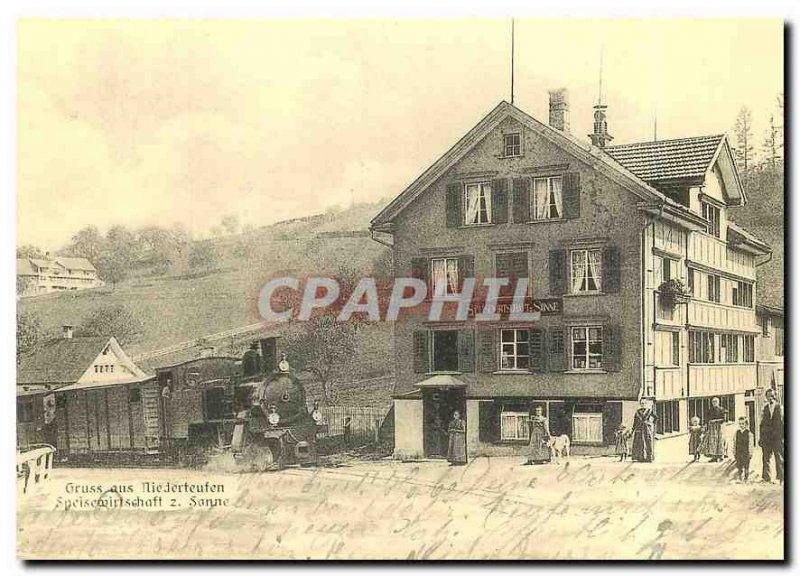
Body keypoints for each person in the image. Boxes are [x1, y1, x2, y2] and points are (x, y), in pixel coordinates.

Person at [759, 388, 784, 484]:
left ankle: (781, 478)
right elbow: (762, 424)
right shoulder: (764, 408)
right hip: (767, 438)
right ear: (766, 397)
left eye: (773, 396)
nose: (771, 398)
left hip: (777, 438)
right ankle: (766, 478)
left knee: (779, 458)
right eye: (769, 396)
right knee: (765, 458)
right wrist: (761, 438)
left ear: (775, 396)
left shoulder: (780, 408)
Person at [631, 398, 656, 462]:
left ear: (646, 404)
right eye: (641, 403)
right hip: (639, 429)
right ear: (640, 404)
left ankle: (649, 458)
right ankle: (640, 458)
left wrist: (651, 423)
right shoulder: (637, 412)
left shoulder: (649, 411)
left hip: (647, 429)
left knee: (648, 442)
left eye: (644, 403)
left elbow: (655, 418)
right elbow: (635, 422)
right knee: (639, 443)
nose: (643, 405)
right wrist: (632, 431)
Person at [703, 397, 728, 463]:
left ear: (718, 402)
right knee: (713, 442)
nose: (714, 403)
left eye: (715, 402)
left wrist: (715, 421)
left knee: (720, 441)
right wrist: (706, 425)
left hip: (720, 427)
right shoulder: (710, 410)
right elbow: (707, 419)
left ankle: (721, 456)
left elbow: (724, 419)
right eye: (713, 402)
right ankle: (713, 457)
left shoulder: (722, 409)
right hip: (712, 428)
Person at [734, 416, 754, 482]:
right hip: (739, 452)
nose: (741, 425)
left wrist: (750, 452)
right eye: (740, 424)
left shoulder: (749, 433)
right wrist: (734, 451)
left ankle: (746, 478)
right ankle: (740, 477)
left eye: (743, 424)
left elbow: (751, 444)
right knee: (739, 465)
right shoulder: (737, 433)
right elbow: (734, 442)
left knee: (746, 465)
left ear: (746, 424)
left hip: (746, 452)